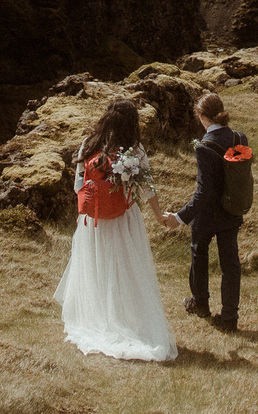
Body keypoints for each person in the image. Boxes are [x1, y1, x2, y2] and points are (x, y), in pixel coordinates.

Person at [53, 100, 177, 362]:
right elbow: (147, 187)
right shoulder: (134, 149)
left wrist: (84, 211)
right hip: (123, 218)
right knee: (126, 269)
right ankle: (127, 318)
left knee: (97, 268)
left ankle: (99, 317)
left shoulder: (89, 143)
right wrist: (158, 215)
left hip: (93, 220)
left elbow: (78, 183)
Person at [161, 92, 248, 332]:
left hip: (208, 215)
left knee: (199, 255)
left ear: (201, 116)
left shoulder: (204, 146)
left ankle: (200, 304)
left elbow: (204, 192)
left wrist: (179, 218)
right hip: (232, 210)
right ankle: (229, 317)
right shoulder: (239, 137)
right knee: (230, 263)